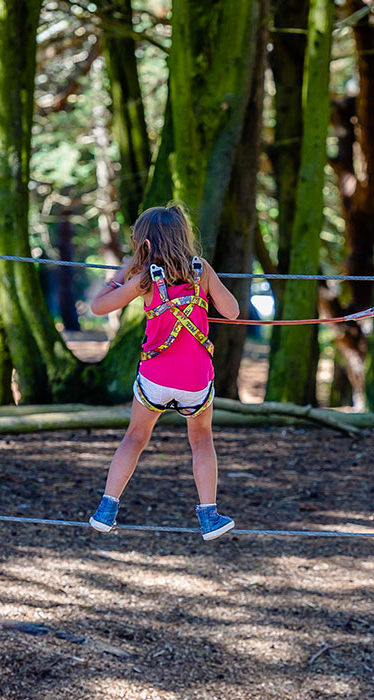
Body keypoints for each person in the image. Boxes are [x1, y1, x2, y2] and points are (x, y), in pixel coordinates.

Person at [86, 205, 240, 540]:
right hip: (196, 381)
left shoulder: (144, 279)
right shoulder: (203, 271)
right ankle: (209, 516)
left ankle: (106, 509)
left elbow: (98, 307)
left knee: (135, 438)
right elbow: (232, 312)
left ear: (145, 244)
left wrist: (125, 269)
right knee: (201, 440)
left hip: (155, 377)